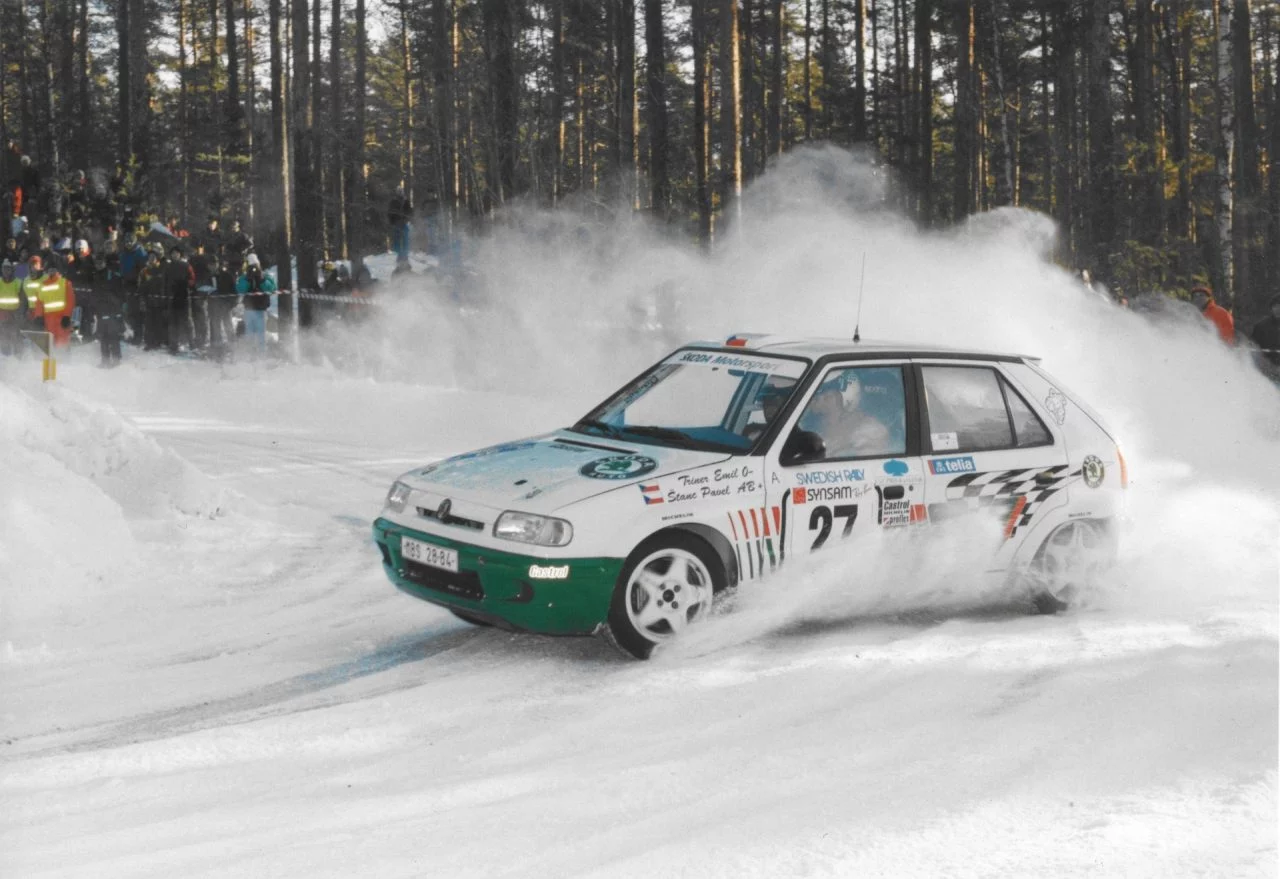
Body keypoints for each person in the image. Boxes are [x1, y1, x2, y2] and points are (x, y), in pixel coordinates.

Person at [799, 374, 894, 459]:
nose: (813, 401)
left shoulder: (870, 431)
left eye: (827, 396)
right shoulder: (808, 423)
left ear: (835, 398)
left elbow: (867, 468)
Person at [22, 254, 76, 347]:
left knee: (62, 343)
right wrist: (39, 316)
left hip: (61, 318)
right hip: (47, 319)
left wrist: (67, 316)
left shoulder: (65, 282)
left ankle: (65, 361)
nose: (52, 271)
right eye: (50, 269)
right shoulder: (42, 285)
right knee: (49, 345)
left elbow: (70, 301)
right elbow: (39, 302)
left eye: (54, 269)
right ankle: (49, 361)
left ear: (58, 270)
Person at [236, 252, 276, 356]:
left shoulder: (266, 276)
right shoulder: (244, 278)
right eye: (251, 267)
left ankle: (261, 356)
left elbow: (271, 288)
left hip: (261, 311)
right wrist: (248, 280)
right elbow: (240, 289)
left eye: (255, 266)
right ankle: (249, 355)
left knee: (261, 335)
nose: (253, 269)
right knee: (249, 334)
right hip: (248, 310)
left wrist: (261, 279)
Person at [164, 243, 195, 354]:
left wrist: (185, 284)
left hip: (184, 296)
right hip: (172, 297)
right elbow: (165, 281)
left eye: (176, 254)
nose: (174, 255)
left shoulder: (186, 265)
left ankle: (192, 344)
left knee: (187, 321)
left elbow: (192, 279)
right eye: (173, 254)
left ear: (180, 255)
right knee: (173, 322)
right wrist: (166, 292)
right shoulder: (168, 266)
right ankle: (173, 345)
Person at [139, 242, 169, 351]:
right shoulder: (145, 270)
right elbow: (141, 286)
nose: (151, 259)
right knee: (148, 322)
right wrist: (142, 298)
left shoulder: (162, 269)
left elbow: (166, 284)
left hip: (161, 300)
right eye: (150, 257)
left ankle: (160, 341)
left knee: (159, 321)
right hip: (149, 300)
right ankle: (149, 342)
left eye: (153, 257)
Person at [209, 254, 238, 360]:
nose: (212, 267)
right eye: (210, 265)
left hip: (226, 307)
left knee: (228, 328)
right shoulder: (209, 277)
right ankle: (218, 351)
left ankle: (234, 350)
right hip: (214, 307)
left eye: (214, 264)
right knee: (216, 330)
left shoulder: (227, 275)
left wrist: (231, 305)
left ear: (218, 264)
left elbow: (234, 292)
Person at [0, 258, 27, 356]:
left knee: (16, 336)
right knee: (3, 337)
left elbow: (23, 301)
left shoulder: (18, 282)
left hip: (15, 314)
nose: (6, 271)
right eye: (4, 268)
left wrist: (20, 313)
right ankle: (5, 357)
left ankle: (19, 357)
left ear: (11, 270)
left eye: (8, 269)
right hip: (2, 314)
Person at [1251, 295, 1280, 372]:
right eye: (1275, 306)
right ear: (1271, 308)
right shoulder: (1261, 326)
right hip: (1266, 369)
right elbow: (1253, 347)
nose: (1277, 309)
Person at [388, 184, 413, 269]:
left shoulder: (406, 201)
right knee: (397, 241)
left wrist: (406, 219)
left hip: (404, 223)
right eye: (398, 191)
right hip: (396, 223)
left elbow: (409, 211)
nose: (400, 193)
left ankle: (405, 257)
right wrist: (393, 222)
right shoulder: (393, 201)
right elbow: (390, 213)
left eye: (401, 191)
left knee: (405, 240)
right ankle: (399, 257)